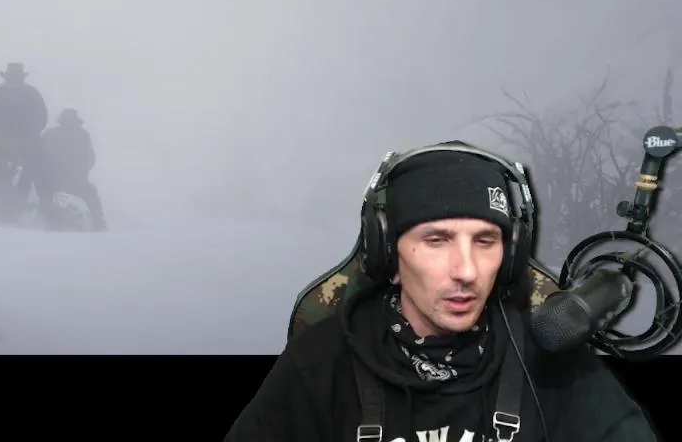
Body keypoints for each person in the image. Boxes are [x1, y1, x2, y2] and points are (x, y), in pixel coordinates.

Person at [226, 145, 658, 442]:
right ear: (388, 255)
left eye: (485, 241)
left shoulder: (550, 359)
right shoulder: (319, 362)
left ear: (510, 258)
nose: (466, 271)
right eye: (436, 240)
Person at [0, 63, 53, 205]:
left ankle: (35, 199)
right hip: (12, 143)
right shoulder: (29, 94)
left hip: (9, 143)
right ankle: (41, 201)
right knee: (39, 166)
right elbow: (42, 120)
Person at [42, 108, 106, 230]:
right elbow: (90, 158)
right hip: (69, 181)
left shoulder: (52, 134)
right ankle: (98, 223)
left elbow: (89, 158)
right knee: (91, 193)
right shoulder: (81, 135)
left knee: (45, 194)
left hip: (62, 181)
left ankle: (98, 222)